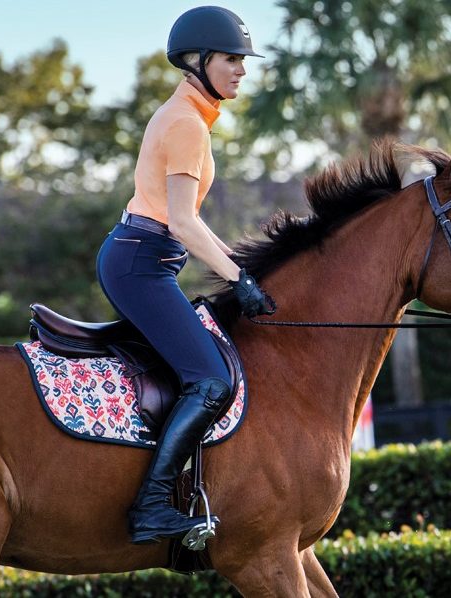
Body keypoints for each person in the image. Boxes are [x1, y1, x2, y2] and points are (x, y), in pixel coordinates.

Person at [96, 5, 274, 545]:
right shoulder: (186, 125)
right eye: (230, 59)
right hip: (140, 265)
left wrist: (241, 272)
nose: (242, 69)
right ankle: (151, 506)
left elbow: (189, 224)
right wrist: (238, 280)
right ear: (196, 62)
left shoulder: (187, 118)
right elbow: (181, 222)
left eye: (243, 60)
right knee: (211, 380)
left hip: (144, 259)